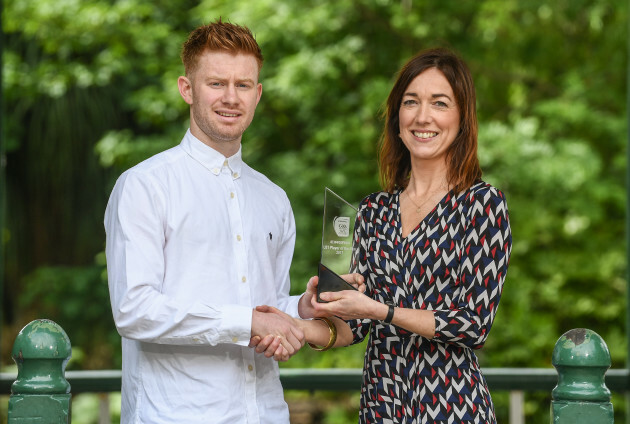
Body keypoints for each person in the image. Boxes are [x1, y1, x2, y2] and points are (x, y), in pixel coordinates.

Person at [255, 48, 512, 423]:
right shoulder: (374, 211)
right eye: (411, 102)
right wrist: (302, 321)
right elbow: (353, 328)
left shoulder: (482, 205)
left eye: (439, 103)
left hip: (453, 408)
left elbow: (472, 324)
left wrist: (381, 310)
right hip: (381, 408)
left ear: (462, 118)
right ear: (397, 116)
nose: (423, 116)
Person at [105, 19, 318, 423]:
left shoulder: (274, 199)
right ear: (187, 89)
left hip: (266, 413)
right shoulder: (145, 186)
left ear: (257, 95)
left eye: (242, 86)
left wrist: (302, 309)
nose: (231, 98)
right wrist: (247, 321)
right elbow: (134, 309)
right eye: (216, 83)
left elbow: (265, 306)